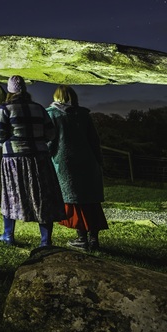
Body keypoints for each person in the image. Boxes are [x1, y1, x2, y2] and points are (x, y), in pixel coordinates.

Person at [0, 76, 65, 247]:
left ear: (9, 90)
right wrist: (38, 141)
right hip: (40, 157)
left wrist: (10, 145)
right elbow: (51, 133)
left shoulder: (5, 108)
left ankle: (8, 235)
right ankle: (45, 241)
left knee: (11, 194)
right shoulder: (39, 108)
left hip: (14, 159)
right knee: (42, 195)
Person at [46, 85, 108, 252]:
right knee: (91, 201)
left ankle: (82, 239)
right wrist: (99, 160)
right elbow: (94, 140)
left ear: (57, 96)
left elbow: (50, 141)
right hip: (88, 162)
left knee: (76, 202)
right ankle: (94, 239)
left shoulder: (52, 114)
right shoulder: (83, 114)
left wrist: (45, 158)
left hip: (66, 163)